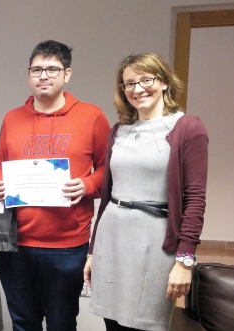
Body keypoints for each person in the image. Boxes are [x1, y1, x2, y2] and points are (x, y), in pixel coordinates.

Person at [0, 40, 110, 330]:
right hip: (15, 244)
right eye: (37, 69)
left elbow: (108, 169)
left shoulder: (91, 117)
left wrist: (88, 184)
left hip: (67, 246)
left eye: (53, 69)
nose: (44, 75)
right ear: (29, 75)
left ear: (67, 74)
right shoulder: (12, 118)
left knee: (62, 323)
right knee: (23, 322)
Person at [84, 53, 209, 331]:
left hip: (154, 245)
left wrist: (185, 261)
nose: (137, 89)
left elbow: (195, 200)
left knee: (146, 324)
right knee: (112, 324)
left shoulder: (187, 128)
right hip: (111, 239)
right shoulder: (118, 131)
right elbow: (107, 198)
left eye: (146, 80)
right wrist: (93, 251)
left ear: (164, 81)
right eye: (129, 84)